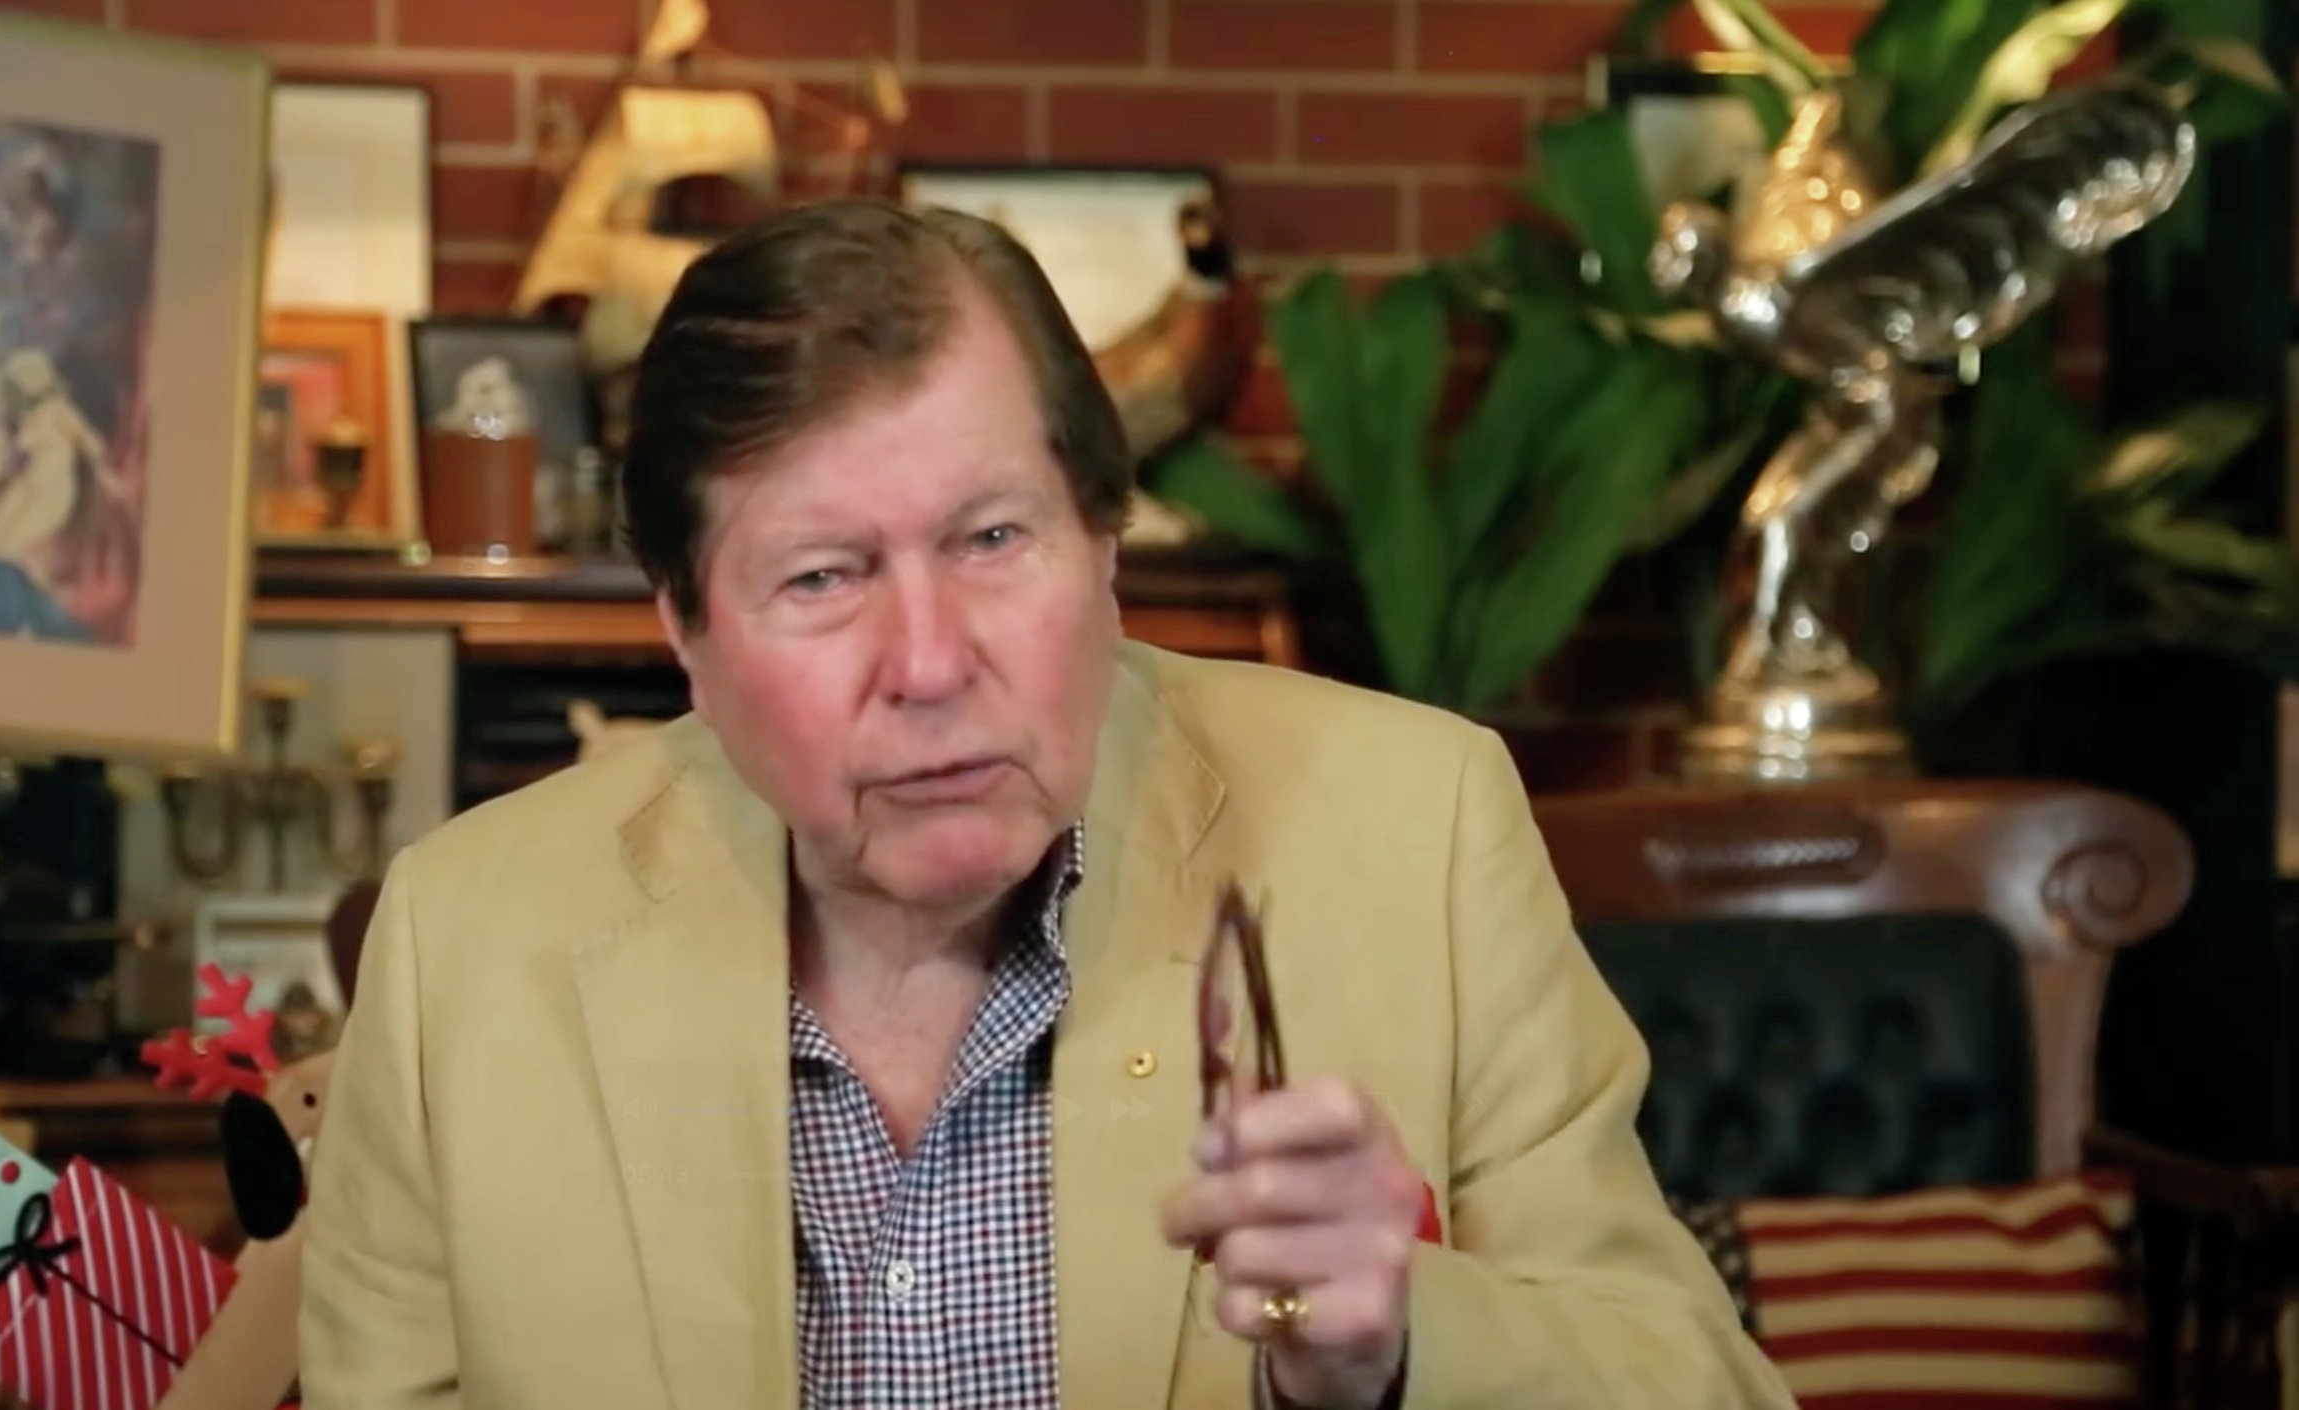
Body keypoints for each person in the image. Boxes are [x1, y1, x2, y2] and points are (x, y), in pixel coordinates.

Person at [298, 198, 1796, 1410]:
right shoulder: (462, 947)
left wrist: (1402, 1342)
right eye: (821, 576)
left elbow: (1696, 1383)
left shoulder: (1421, 831)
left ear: (1103, 542)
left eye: (992, 539)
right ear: (684, 631)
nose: (931, 663)